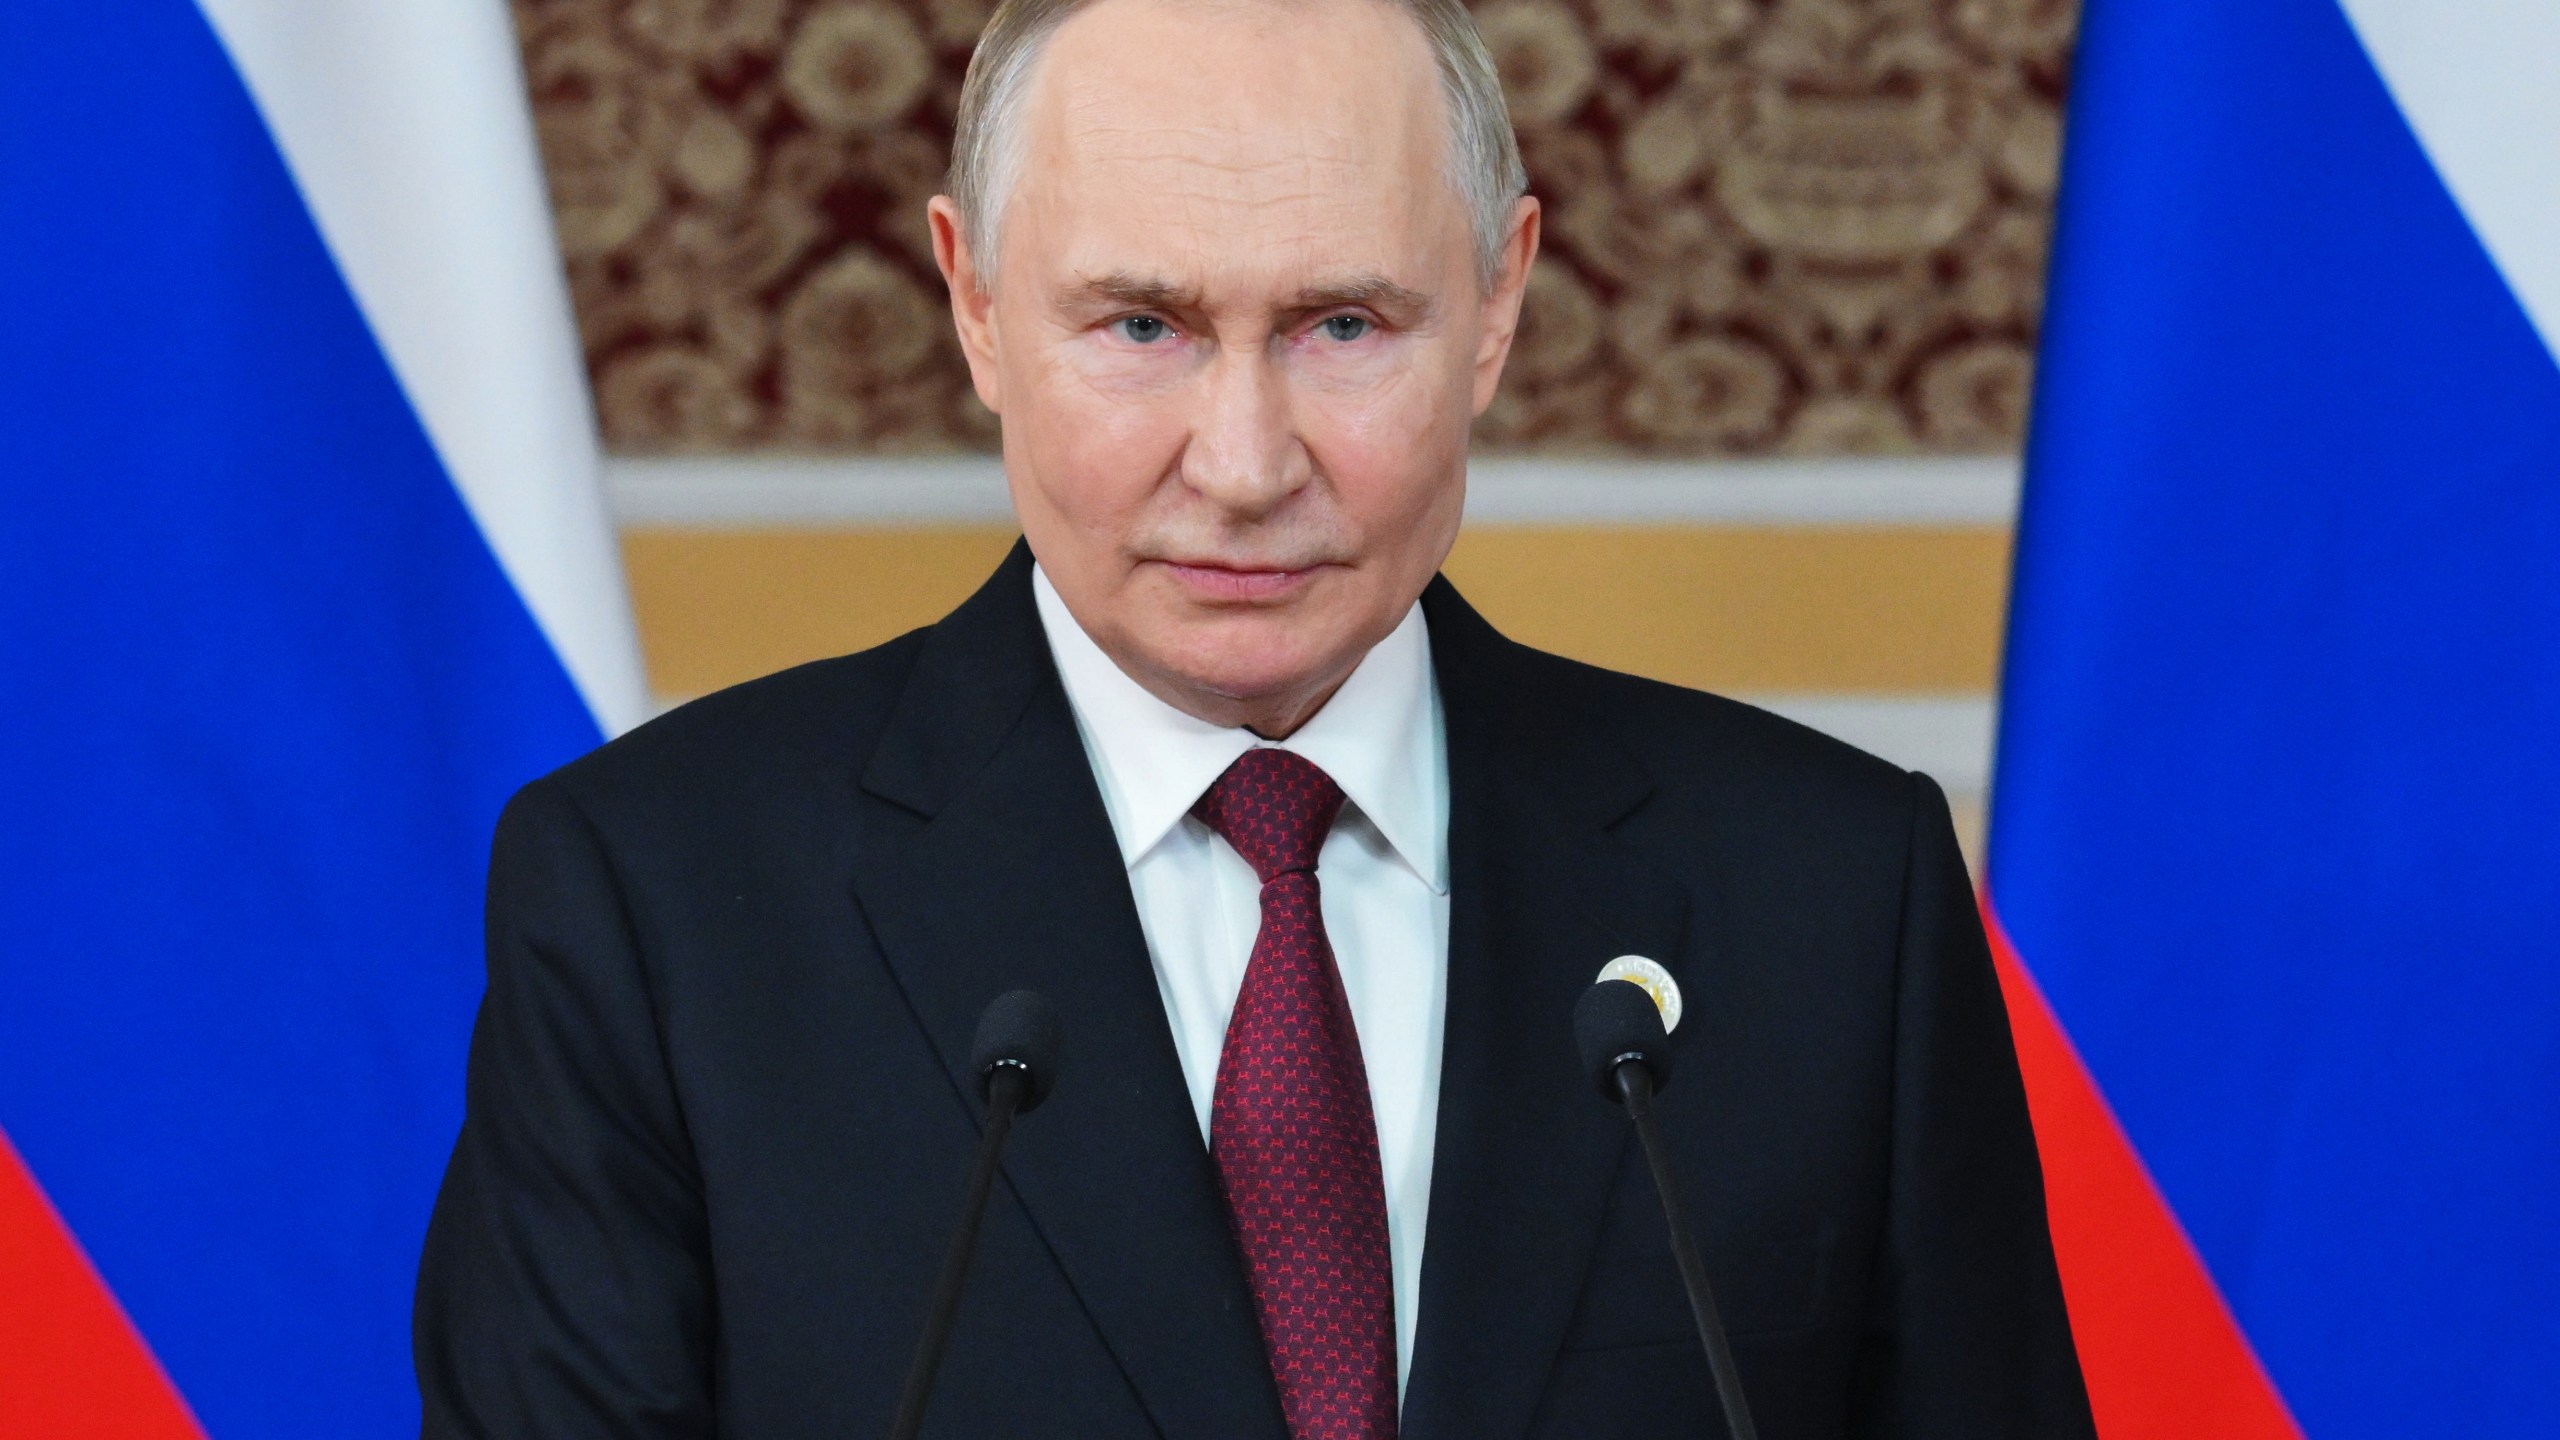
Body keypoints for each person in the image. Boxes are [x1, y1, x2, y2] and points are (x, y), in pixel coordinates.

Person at [413, 0, 2095, 1432]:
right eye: (1142, 325)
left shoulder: (1832, 901)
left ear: (1498, 300)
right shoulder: (656, 909)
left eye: (1341, 325)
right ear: (976, 303)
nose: (1241, 464)